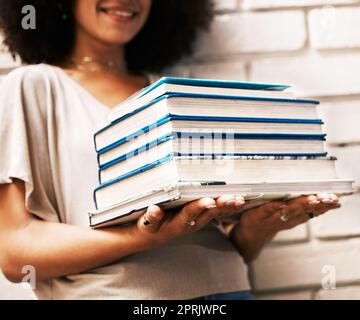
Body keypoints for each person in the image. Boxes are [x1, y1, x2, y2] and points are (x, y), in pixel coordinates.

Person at [0, 0, 341, 300]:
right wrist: (141, 237)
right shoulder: (32, 87)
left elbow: (216, 243)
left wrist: (258, 228)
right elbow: (17, 253)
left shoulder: (173, 94)